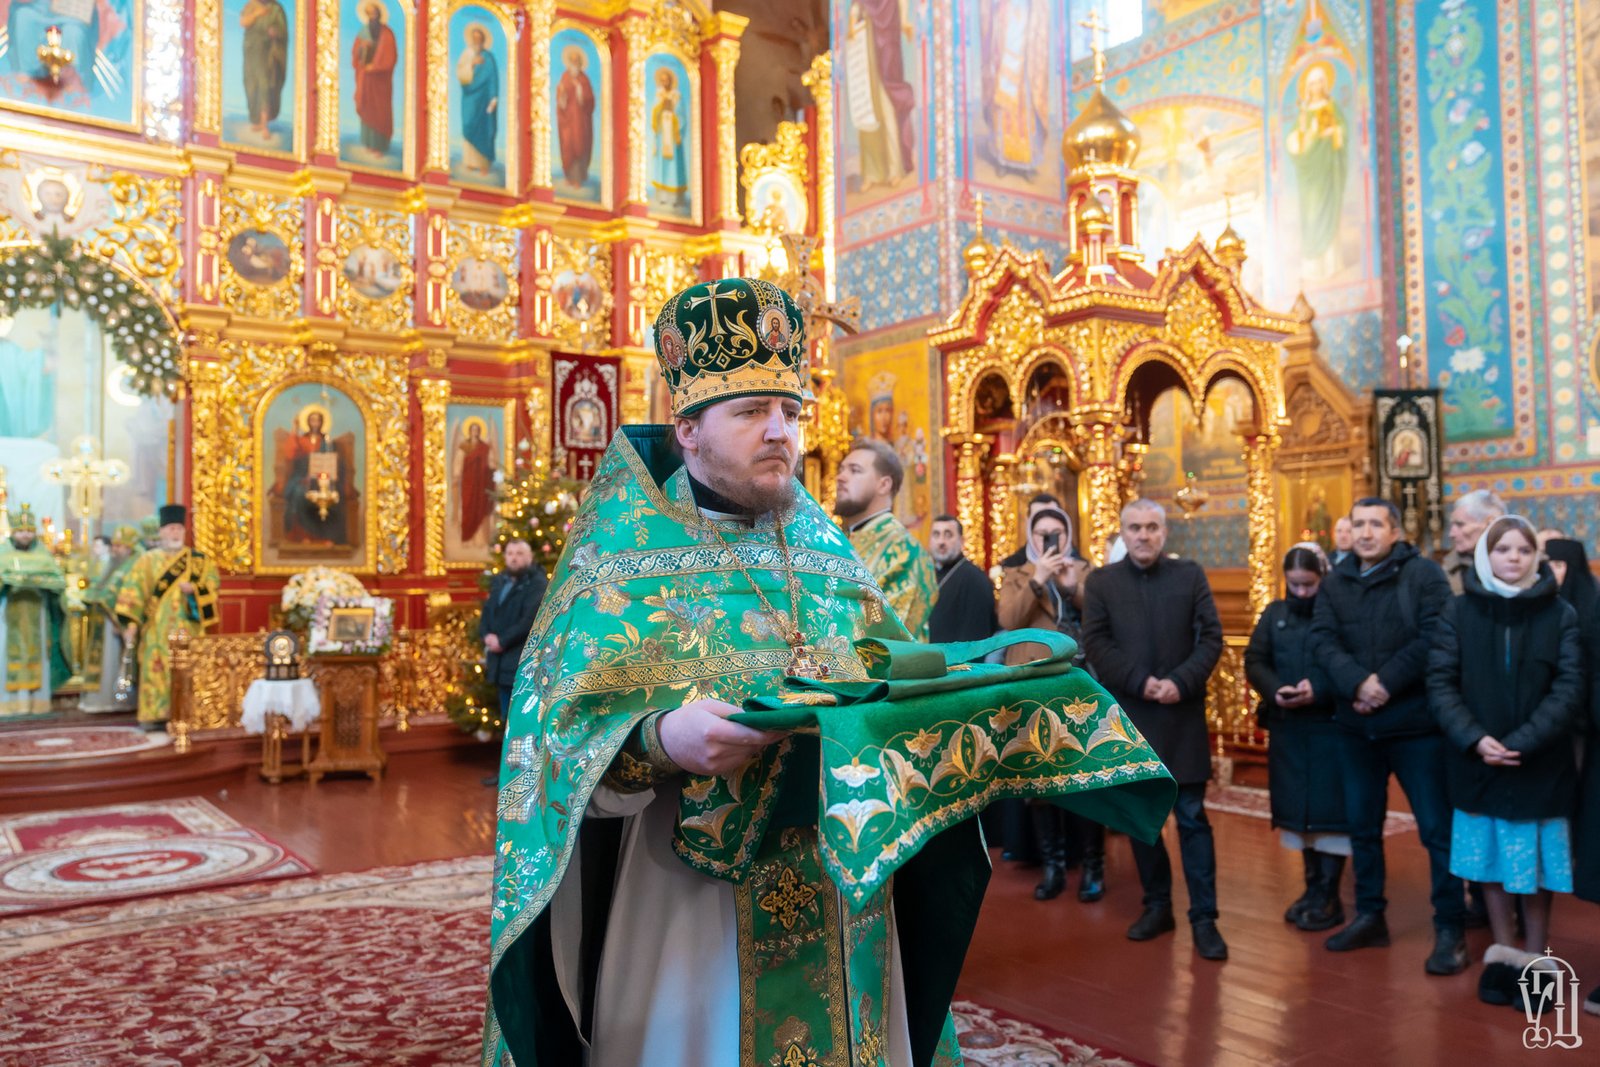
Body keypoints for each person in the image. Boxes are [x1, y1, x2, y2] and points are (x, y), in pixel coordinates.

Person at [484, 277, 988, 1066]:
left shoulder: (824, 548)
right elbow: (548, 736)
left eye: (791, 410)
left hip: (843, 892)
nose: (781, 431)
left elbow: (887, 674)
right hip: (689, 906)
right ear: (687, 427)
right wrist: (659, 739)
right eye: (752, 410)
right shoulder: (616, 552)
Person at [1427, 515, 1583, 1006]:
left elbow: (1569, 686)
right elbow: (1441, 682)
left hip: (1540, 763)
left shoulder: (1560, 613)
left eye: (1522, 549)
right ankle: (1502, 957)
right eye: (1502, 549)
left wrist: (1524, 741)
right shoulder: (1458, 611)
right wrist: (1476, 739)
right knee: (1492, 865)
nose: (1513, 558)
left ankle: (1536, 963)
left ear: (1535, 556)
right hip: (1478, 762)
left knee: (1533, 871)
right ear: (1485, 555)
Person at [1311, 497, 1467, 973]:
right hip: (1356, 726)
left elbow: (1435, 635)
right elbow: (1322, 641)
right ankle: (1370, 916)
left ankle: (1451, 928)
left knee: (1437, 831)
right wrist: (1358, 683)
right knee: (1362, 828)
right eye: (1358, 523)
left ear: (1395, 532)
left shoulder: (1424, 575)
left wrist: (1383, 684)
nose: (1365, 532)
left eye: (1375, 524)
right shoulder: (1335, 581)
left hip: (1416, 726)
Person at [1082, 498, 1227, 960]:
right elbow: (1096, 641)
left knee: (1192, 820)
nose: (1143, 535)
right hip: (1133, 719)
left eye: (1151, 527)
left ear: (1164, 533)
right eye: (1134, 528)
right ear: (1122, 533)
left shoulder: (1190, 575)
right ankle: (1157, 905)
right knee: (1143, 822)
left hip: (1182, 716)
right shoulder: (1102, 582)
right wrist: (1140, 682)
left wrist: (1180, 682)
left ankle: (1205, 919)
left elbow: (1212, 637)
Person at [999, 505, 1104, 904]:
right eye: (1041, 533)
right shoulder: (1017, 574)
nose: (1049, 540)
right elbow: (1009, 620)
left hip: (1080, 686)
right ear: (1031, 536)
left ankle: (1093, 868)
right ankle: (1053, 867)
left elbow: (1102, 617)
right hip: (1035, 686)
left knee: (1088, 776)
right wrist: (1038, 579)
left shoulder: (1086, 570)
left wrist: (1073, 586)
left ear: (1068, 535)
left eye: (1056, 533)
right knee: (1040, 778)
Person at [1246, 543, 1349, 932]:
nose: (1302, 592)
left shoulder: (1338, 615)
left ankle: (1329, 895)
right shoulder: (1275, 614)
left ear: (1323, 578)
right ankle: (1311, 889)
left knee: (1330, 815)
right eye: (1295, 585)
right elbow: (1255, 660)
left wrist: (1317, 689)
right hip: (1289, 728)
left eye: (1310, 584)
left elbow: (1347, 663)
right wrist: (1276, 689)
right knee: (1298, 816)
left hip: (1329, 729)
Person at [114, 505, 221, 730]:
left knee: (188, 671)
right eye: (171, 528)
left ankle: (188, 714)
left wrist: (196, 589)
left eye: (179, 529)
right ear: (161, 531)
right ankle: (156, 716)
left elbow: (213, 584)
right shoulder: (147, 561)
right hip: (156, 631)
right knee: (156, 669)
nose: (175, 533)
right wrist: (131, 624)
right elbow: (133, 591)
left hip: (189, 629)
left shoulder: (199, 560)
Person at [834, 438, 937, 640]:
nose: (840, 477)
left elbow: (890, 637)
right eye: (841, 470)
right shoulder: (838, 541)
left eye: (854, 470)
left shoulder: (905, 550)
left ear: (884, 485)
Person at [0, 505, 69, 717]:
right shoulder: (3, 553)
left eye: (29, 531)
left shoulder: (44, 555)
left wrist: (35, 581)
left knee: (39, 654)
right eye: (21, 531)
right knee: (6, 655)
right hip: (8, 613)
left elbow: (59, 581)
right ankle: (9, 703)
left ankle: (38, 702)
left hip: (38, 613)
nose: (25, 535)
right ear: (13, 532)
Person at [478, 538, 546, 723]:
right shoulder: (500, 581)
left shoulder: (538, 584)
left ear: (530, 557)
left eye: (519, 554)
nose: (514, 558)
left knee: (520, 723)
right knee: (506, 719)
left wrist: (502, 641)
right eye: (510, 554)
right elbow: (488, 611)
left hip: (522, 663)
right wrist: (486, 635)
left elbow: (528, 621)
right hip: (500, 664)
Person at [79, 525, 143, 713]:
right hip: (105, 619)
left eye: (120, 546)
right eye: (114, 545)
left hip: (120, 621)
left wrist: (121, 621)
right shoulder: (114, 564)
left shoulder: (135, 565)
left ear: (130, 548)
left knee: (116, 660)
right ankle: (103, 699)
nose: (115, 549)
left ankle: (120, 700)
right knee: (105, 660)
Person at [926, 514, 996, 644]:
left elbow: (977, 637)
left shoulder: (975, 579)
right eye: (936, 535)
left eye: (948, 535)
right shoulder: (926, 574)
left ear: (961, 541)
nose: (941, 542)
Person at [351, 0, 398, 160]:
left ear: (379, 14)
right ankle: (368, 143)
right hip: (366, 79)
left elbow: (390, 56)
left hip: (380, 82)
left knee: (380, 111)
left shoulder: (387, 34)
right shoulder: (363, 32)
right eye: (369, 13)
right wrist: (363, 49)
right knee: (367, 109)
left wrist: (375, 66)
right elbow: (356, 53)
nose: (372, 16)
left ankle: (380, 146)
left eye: (374, 13)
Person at [1442, 489, 1506, 596]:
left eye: (1460, 524)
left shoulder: (1519, 562)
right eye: (1452, 525)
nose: (1451, 534)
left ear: (1489, 523)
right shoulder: (1446, 570)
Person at [239, 0, 288, 141]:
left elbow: (282, 31)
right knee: (250, 84)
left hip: (267, 54)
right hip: (251, 50)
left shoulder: (276, 9)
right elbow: (243, 22)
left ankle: (264, 123)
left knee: (264, 86)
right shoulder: (252, 5)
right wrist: (257, 14)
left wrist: (275, 32)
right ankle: (257, 120)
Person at [456, 24, 500, 176]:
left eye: (479, 39)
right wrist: (471, 64)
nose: (477, 41)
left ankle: (483, 165)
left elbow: (493, 78)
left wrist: (494, 98)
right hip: (470, 98)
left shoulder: (489, 58)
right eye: (474, 38)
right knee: (469, 125)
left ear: (483, 40)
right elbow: (460, 74)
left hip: (485, 99)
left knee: (485, 130)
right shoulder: (467, 55)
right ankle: (470, 162)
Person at [556, 43, 595, 190]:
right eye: (572, 61)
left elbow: (590, 101)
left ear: (580, 63)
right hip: (567, 122)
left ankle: (578, 179)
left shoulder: (584, 80)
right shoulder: (565, 77)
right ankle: (568, 177)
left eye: (576, 61)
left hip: (581, 121)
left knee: (580, 146)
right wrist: (562, 96)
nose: (574, 64)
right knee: (568, 146)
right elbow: (560, 98)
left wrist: (580, 90)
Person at [455, 420, 495, 545]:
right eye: (473, 429)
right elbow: (458, 462)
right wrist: (457, 474)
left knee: (480, 509)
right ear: (469, 431)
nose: (475, 432)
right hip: (468, 482)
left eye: (477, 430)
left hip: (481, 483)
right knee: (468, 507)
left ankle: (480, 540)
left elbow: (491, 464)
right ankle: (468, 538)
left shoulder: (484, 447)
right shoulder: (464, 446)